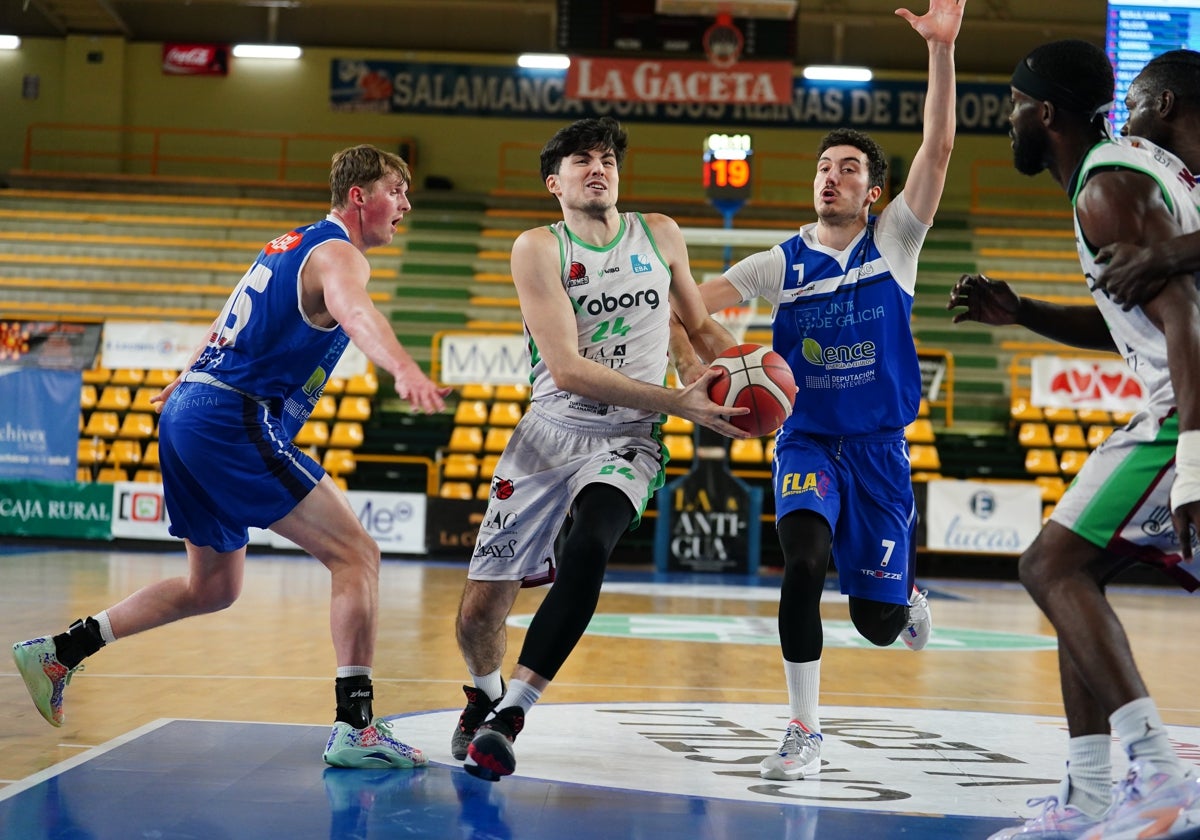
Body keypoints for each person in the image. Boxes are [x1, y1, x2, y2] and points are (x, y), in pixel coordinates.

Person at [12, 144, 450, 770]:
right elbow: (355, 312)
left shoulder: (284, 245)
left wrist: (184, 380)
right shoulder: (339, 253)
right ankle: (356, 726)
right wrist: (404, 368)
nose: (405, 205)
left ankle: (61, 650)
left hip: (194, 410)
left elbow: (225, 324)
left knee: (212, 587)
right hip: (228, 417)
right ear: (360, 197)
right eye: (396, 191)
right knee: (358, 553)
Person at [668, 0, 961, 783]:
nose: (831, 177)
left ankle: (903, 596)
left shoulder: (895, 242)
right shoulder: (778, 265)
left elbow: (936, 147)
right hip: (805, 442)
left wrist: (940, 51)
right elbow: (692, 302)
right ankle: (804, 728)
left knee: (874, 622)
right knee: (802, 564)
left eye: (850, 170)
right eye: (825, 167)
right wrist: (688, 357)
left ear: (874, 194)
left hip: (879, 451)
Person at [946, 42, 1200, 840]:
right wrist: (1022, 313)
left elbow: (1186, 321)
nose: (1010, 120)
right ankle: (1090, 800)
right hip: (1175, 397)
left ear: (1043, 113)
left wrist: (1193, 461)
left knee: (1050, 564)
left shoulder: (1106, 185)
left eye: (1016, 105)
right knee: (1069, 572)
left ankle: (1157, 776)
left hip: (1187, 410)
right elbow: (1138, 317)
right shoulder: (1119, 175)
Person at [451, 116, 750, 782]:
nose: (599, 167)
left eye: (608, 158)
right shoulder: (537, 248)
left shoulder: (660, 233)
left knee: (590, 545)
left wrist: (751, 379)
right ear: (554, 183)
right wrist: (678, 399)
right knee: (480, 613)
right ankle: (484, 694)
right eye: (582, 160)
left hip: (628, 435)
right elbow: (565, 368)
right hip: (548, 433)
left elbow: (699, 325)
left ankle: (514, 713)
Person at [1091, 51, 1200, 311]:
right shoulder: (1182, 190)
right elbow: (1143, 331)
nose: (1124, 129)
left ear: (1164, 103)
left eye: (1131, 110)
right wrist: (1022, 311)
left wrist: (1157, 257)